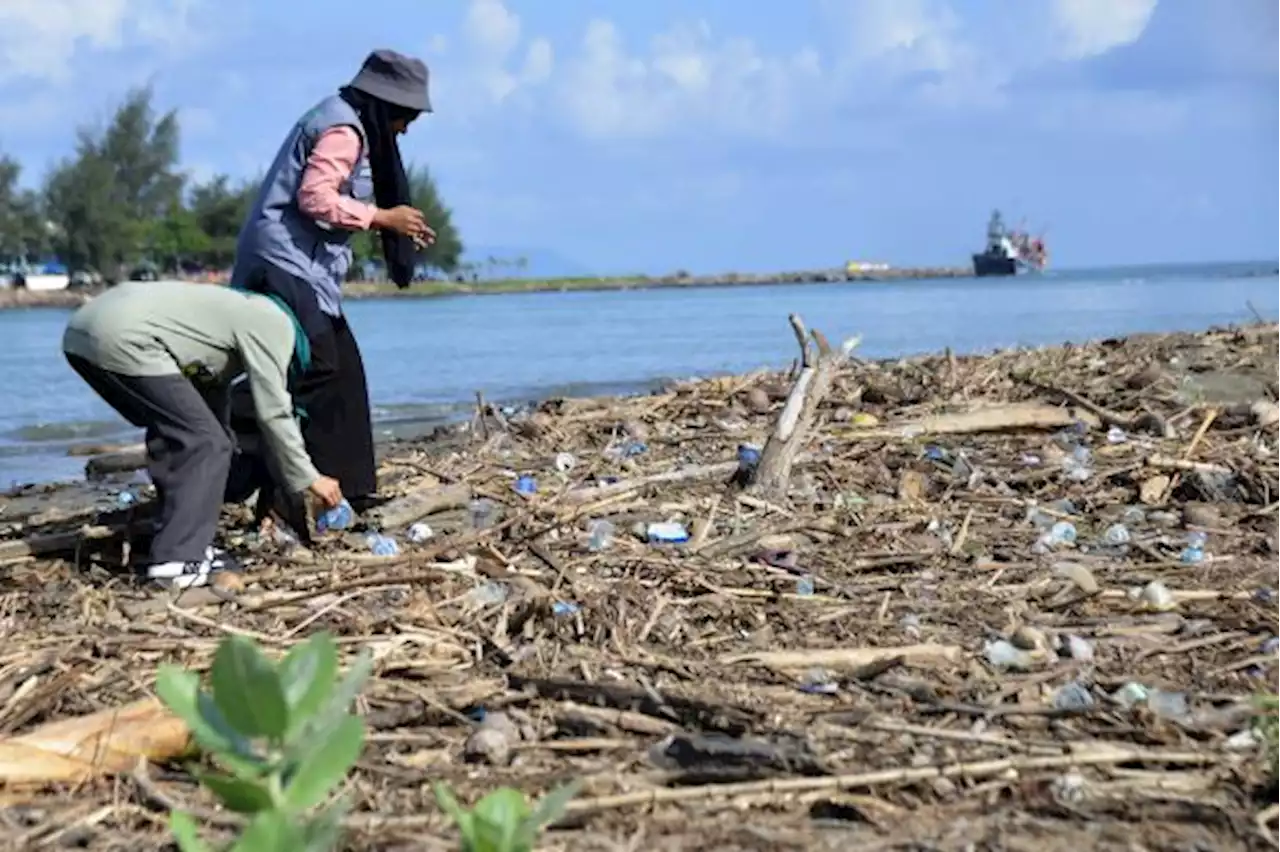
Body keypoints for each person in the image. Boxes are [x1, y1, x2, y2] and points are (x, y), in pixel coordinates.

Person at [230, 48, 436, 518]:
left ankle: (348, 490)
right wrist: (381, 216)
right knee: (316, 364)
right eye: (405, 119)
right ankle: (243, 442)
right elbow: (315, 197)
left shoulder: (349, 121)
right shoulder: (342, 129)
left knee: (344, 371)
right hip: (282, 261)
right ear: (388, 108)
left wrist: (393, 223)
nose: (404, 131)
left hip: (306, 268)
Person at [62, 280, 343, 587]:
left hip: (80, 333)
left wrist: (227, 444)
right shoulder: (275, 324)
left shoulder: (229, 318)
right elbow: (274, 411)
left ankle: (175, 533)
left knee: (183, 434)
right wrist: (308, 477)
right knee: (204, 442)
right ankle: (177, 559)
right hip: (124, 336)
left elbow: (208, 398)